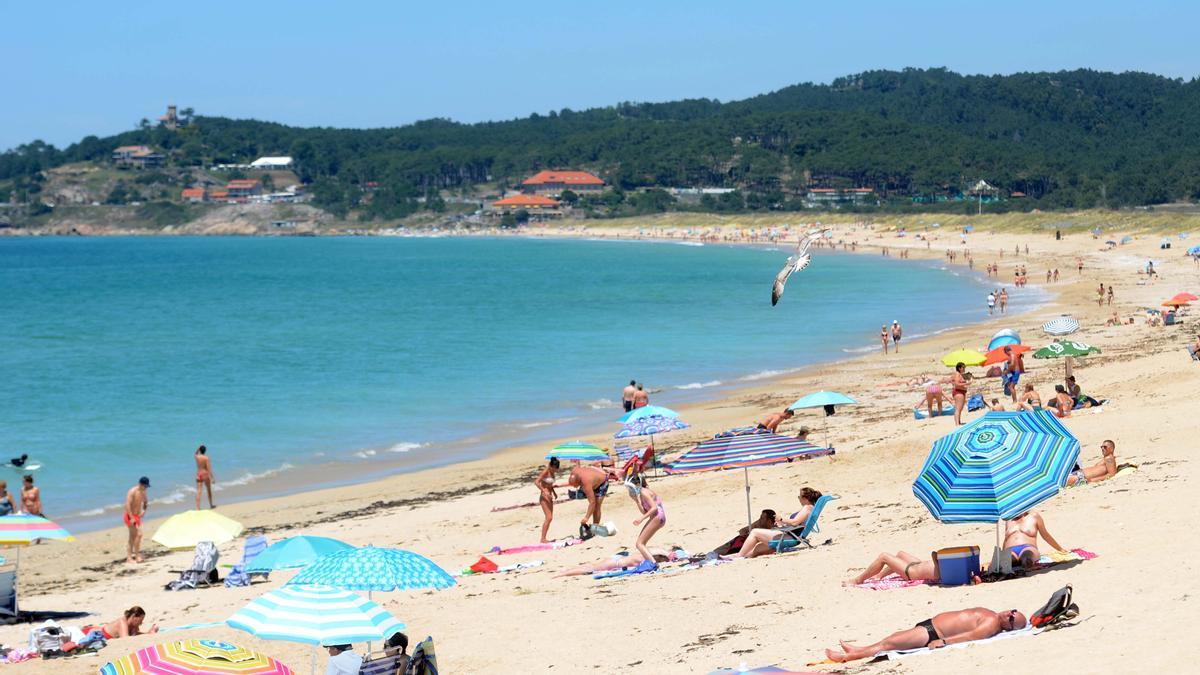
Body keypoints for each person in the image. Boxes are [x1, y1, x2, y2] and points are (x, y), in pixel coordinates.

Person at [824, 607, 1027, 662]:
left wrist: (943, 641)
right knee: (891, 639)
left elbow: (972, 636)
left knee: (890, 643)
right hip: (930, 627)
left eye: (1012, 619)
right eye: (1013, 611)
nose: (1010, 614)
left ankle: (847, 657)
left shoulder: (992, 624)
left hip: (932, 633)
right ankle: (858, 650)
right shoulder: (993, 615)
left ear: (1008, 628)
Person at [731, 488, 821, 558]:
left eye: (799, 497)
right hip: (791, 534)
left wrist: (781, 519)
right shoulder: (809, 508)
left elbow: (795, 522)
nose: (798, 498)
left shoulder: (807, 508)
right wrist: (782, 524)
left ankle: (739, 556)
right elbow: (797, 524)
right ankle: (737, 556)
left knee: (755, 532)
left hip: (791, 537)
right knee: (757, 548)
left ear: (805, 498)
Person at [554, 546, 688, 578]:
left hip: (618, 560)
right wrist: (673, 555)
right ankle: (562, 574)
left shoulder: (655, 554)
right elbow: (667, 554)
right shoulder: (657, 551)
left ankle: (567, 569)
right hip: (617, 562)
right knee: (591, 569)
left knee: (592, 566)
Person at [844, 550, 959, 586]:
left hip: (912, 572)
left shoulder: (941, 574)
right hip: (918, 564)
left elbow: (934, 556)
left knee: (883, 557)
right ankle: (879, 576)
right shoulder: (950, 571)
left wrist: (937, 559)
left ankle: (858, 580)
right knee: (900, 554)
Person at [626, 479, 667, 572]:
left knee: (639, 544)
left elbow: (654, 508)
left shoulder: (644, 492)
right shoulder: (642, 493)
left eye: (630, 487)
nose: (630, 490)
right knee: (640, 543)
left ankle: (652, 563)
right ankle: (651, 562)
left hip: (657, 517)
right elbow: (645, 511)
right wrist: (636, 501)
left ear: (637, 484)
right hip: (657, 517)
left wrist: (641, 519)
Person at [567, 465, 613, 539]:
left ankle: (595, 527)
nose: (574, 487)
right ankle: (594, 528)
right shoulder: (574, 471)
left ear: (579, 481)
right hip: (593, 480)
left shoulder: (586, 484)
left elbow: (592, 502)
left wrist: (586, 518)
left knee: (597, 506)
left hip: (603, 482)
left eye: (575, 486)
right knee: (593, 504)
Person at [711, 510, 777, 556]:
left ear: (769, 521)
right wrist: (747, 536)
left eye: (762, 518)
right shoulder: (758, 523)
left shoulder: (774, 528)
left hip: (754, 546)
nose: (760, 519)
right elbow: (742, 530)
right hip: (745, 540)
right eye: (760, 517)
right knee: (726, 547)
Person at [82, 606, 158, 641]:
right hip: (87, 633)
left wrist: (148, 633)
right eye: (140, 620)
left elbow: (135, 634)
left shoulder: (132, 625)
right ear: (134, 616)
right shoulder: (122, 622)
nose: (141, 623)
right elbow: (125, 639)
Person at [534, 457, 561, 543]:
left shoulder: (552, 472)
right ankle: (543, 538)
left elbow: (549, 484)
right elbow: (536, 482)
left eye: (556, 469)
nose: (556, 470)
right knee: (549, 518)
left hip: (550, 496)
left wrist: (554, 492)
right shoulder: (545, 471)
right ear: (551, 466)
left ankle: (544, 538)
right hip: (544, 497)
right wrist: (544, 491)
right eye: (555, 468)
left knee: (550, 518)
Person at [125, 476, 150, 563]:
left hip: (137, 517)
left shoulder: (143, 492)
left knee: (133, 537)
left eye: (147, 486)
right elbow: (127, 505)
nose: (146, 488)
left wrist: (143, 511)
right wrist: (131, 518)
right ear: (140, 484)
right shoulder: (132, 491)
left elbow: (146, 502)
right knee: (138, 534)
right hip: (129, 516)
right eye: (145, 486)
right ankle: (135, 557)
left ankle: (131, 557)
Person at [195, 445, 214, 510]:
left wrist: (198, 447)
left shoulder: (197, 457)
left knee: (199, 491)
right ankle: (211, 505)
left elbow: (195, 453)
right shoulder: (206, 458)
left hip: (199, 475)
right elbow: (209, 469)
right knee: (208, 490)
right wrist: (212, 478)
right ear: (205, 451)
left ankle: (198, 507)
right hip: (205, 474)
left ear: (200, 450)